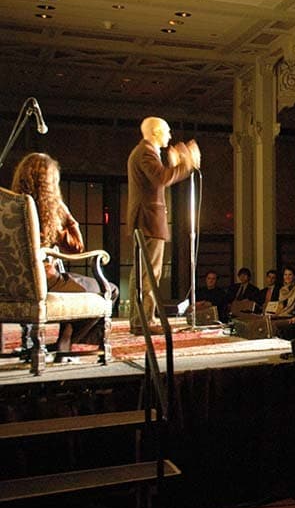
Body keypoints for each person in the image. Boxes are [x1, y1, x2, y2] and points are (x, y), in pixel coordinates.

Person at [12, 152, 119, 353]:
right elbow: (77, 247)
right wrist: (67, 216)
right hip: (45, 280)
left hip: (11, 284)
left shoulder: (10, 209)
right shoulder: (47, 213)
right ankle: (66, 340)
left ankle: (63, 341)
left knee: (77, 285)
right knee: (110, 290)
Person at [127, 116, 199, 336]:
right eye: (167, 131)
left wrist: (176, 165)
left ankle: (141, 319)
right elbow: (161, 178)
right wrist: (187, 164)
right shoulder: (146, 152)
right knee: (148, 273)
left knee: (145, 272)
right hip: (148, 220)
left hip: (146, 219)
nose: (169, 135)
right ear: (156, 132)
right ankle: (145, 321)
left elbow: (159, 177)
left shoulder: (144, 152)